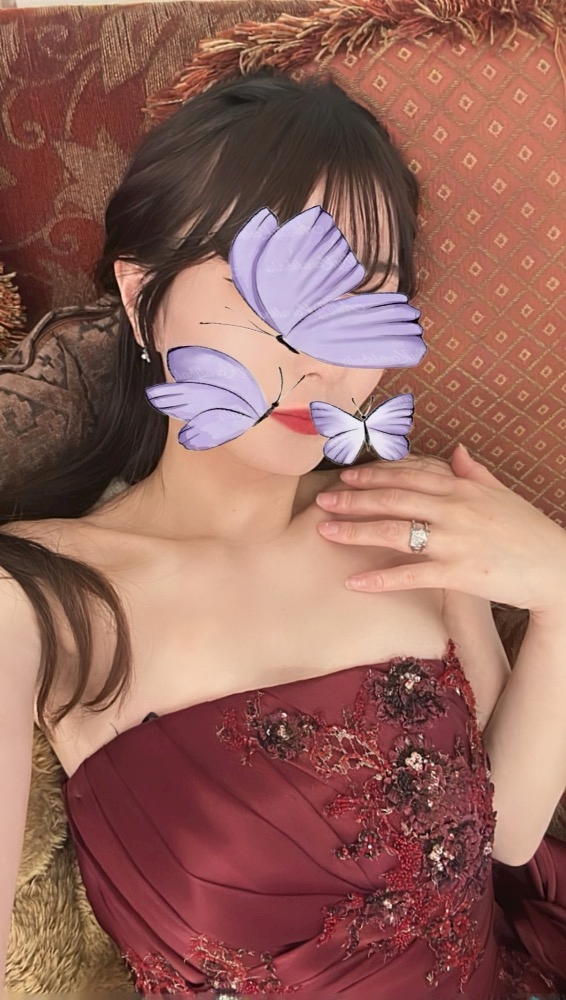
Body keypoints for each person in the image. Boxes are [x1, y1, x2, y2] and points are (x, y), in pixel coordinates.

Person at [1, 66, 566, 999]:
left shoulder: (412, 514)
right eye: (275, 300)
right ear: (143, 298)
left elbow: (505, 837)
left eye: (365, 304)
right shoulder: (36, 600)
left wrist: (558, 595)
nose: (325, 363)